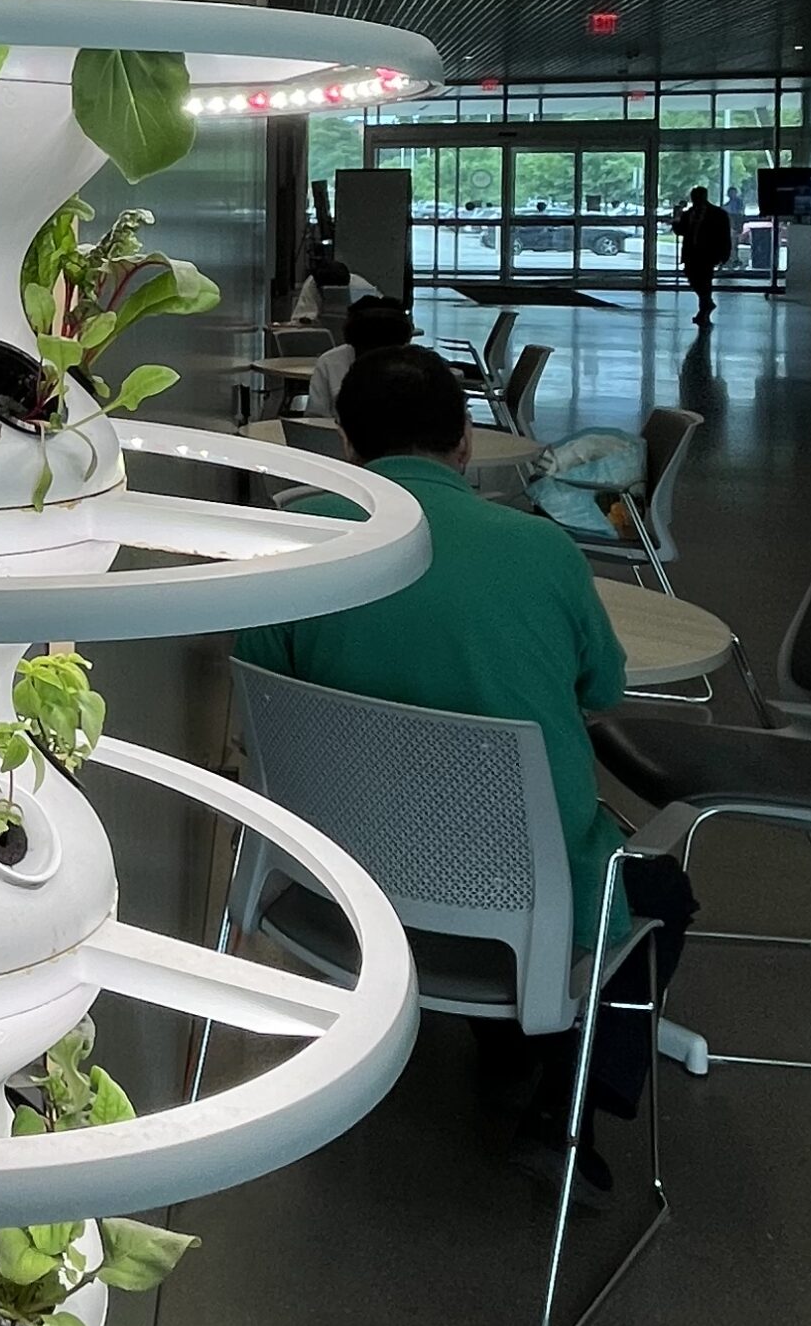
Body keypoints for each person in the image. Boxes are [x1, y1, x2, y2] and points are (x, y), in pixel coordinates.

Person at [236, 342, 693, 1203]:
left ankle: (500, 1041)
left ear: (346, 444)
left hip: (338, 880)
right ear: (467, 444)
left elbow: (260, 683)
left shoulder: (297, 546)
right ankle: (568, 1116)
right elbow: (602, 688)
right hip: (524, 887)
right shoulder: (543, 552)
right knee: (662, 892)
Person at [305, 288, 413, 425]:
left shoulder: (417, 367)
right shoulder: (330, 363)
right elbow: (316, 420)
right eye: (367, 350)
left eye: (387, 352)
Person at [671, 183, 734, 329]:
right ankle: (706, 303)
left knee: (704, 281)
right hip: (691, 253)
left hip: (707, 254)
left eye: (697, 197)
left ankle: (703, 309)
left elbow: (724, 236)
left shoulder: (718, 214)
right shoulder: (689, 214)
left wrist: (724, 254)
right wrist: (676, 218)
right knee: (693, 278)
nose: (695, 200)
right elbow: (681, 231)